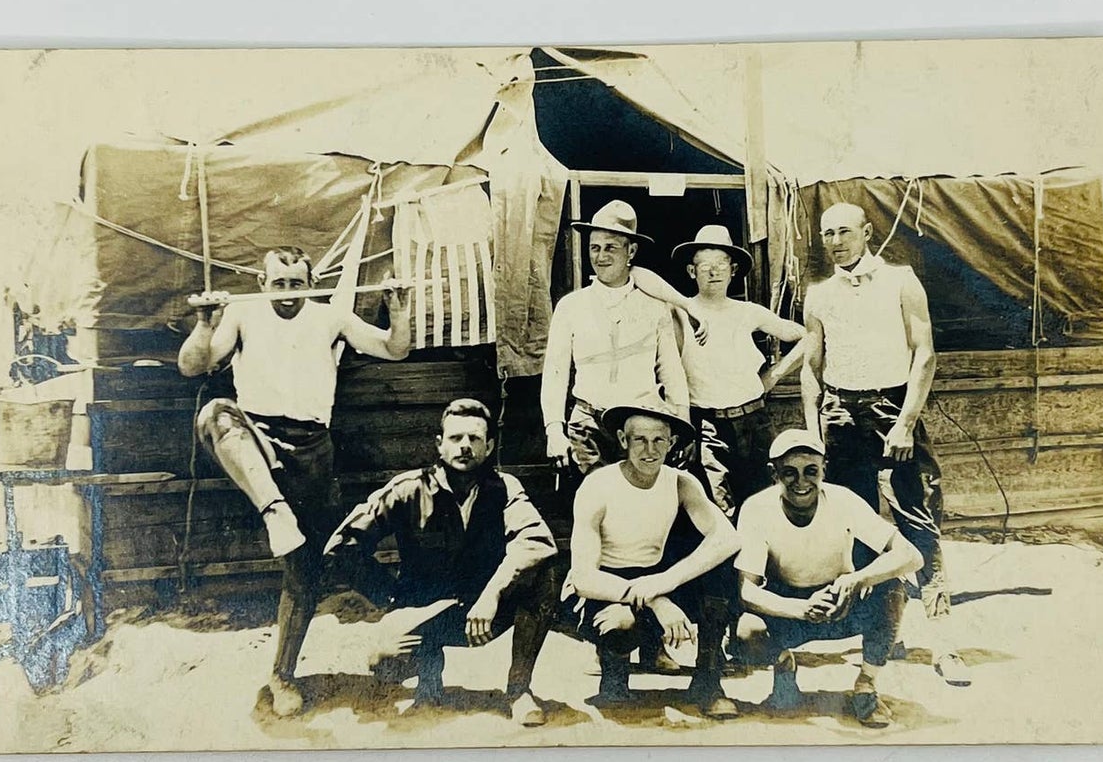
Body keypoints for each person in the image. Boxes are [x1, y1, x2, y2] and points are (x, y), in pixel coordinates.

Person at [177, 246, 413, 717]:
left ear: (311, 282)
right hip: (258, 439)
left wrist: (400, 310)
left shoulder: (332, 318)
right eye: (278, 283)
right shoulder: (242, 315)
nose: (287, 293)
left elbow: (394, 348)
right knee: (215, 415)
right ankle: (273, 510)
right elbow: (191, 365)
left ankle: (282, 675)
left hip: (311, 449)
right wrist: (205, 323)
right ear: (263, 284)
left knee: (306, 570)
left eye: (296, 283)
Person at [800, 202, 969, 686]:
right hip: (838, 415)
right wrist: (813, 429)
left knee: (919, 522)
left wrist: (906, 422)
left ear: (867, 232)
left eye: (845, 232)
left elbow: (925, 353)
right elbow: (812, 367)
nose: (836, 241)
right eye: (828, 233)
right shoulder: (818, 294)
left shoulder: (900, 280)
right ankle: (881, 628)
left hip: (891, 412)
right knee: (855, 525)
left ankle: (944, 643)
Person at [321, 399, 559, 727]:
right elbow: (342, 547)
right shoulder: (408, 490)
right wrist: (390, 600)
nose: (465, 446)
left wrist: (491, 595)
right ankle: (428, 683)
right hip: (425, 614)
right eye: (456, 438)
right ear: (440, 445)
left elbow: (537, 542)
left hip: (484, 612)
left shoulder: (504, 489)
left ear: (489, 446)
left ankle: (519, 691)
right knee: (386, 663)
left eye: (475, 439)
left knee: (542, 577)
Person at [733, 429, 922, 728]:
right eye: (789, 473)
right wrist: (799, 609)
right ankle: (784, 668)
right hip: (790, 605)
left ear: (824, 469)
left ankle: (866, 686)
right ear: (773, 473)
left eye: (811, 471)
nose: (801, 482)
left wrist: (858, 580)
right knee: (747, 633)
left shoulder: (843, 499)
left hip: (840, 600)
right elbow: (746, 591)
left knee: (892, 588)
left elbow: (912, 556)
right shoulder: (757, 509)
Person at [562, 402, 741, 718]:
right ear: (622, 440)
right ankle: (614, 681)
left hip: (657, 576)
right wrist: (657, 600)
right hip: (609, 587)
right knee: (618, 625)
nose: (650, 450)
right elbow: (583, 578)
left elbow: (728, 539)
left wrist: (665, 583)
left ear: (671, 443)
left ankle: (708, 682)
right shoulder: (598, 485)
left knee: (721, 569)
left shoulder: (680, 482)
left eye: (659, 440)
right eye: (639, 440)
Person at [540, 199, 691, 478]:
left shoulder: (655, 306)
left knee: (640, 510)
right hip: (587, 429)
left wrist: (682, 421)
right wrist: (554, 429)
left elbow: (670, 370)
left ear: (631, 250)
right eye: (594, 248)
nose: (601, 256)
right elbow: (555, 373)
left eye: (611, 247)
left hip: (641, 428)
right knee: (592, 509)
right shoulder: (571, 306)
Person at [664, 222, 807, 516]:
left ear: (733, 269)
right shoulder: (678, 314)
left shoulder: (748, 312)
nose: (713, 272)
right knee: (721, 509)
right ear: (692, 272)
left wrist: (775, 375)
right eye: (705, 265)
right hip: (708, 426)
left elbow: (807, 336)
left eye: (721, 264)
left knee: (766, 502)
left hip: (755, 422)